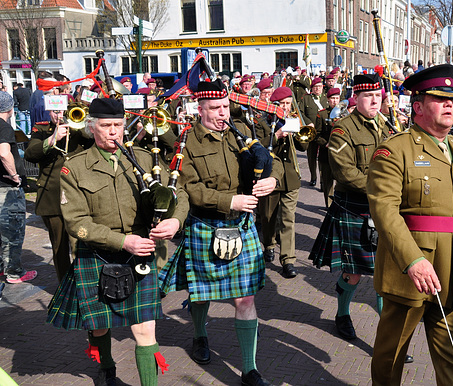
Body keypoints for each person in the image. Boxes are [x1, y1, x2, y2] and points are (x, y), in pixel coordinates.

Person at [47, 97, 188, 385]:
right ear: (91, 128)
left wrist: (175, 220)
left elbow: (179, 193)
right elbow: (76, 222)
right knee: (99, 326)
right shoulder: (74, 167)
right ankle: (107, 366)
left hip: (140, 255)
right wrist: (123, 242)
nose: (114, 132)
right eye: (106, 125)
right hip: (97, 253)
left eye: (119, 125)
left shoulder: (145, 159)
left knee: (145, 329)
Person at [158, 80, 281, 386]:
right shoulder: (187, 142)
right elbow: (188, 188)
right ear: (199, 109)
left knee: (245, 298)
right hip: (205, 225)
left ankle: (249, 369)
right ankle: (200, 335)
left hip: (241, 225)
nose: (222, 113)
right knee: (201, 294)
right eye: (215, 108)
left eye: (225, 106)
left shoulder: (240, 133)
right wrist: (230, 200)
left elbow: (272, 159)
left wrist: (273, 179)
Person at [368, 64, 453, 385]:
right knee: (391, 354)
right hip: (412, 270)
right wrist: (413, 260)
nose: (450, 104)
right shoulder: (395, 149)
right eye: (439, 98)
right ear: (418, 107)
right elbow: (384, 210)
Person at [309, 74, 393, 342]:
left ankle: (387, 336)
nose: (374, 101)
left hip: (385, 208)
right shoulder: (343, 129)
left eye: (378, 96)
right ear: (355, 98)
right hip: (356, 208)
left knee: (385, 273)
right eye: (369, 97)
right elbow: (344, 173)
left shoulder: (386, 124)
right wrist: (382, 189)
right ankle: (342, 314)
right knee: (353, 273)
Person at [24, 106, 94, 282]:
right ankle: (65, 287)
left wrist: (80, 124)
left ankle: (85, 283)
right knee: (59, 247)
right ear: (49, 112)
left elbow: (94, 141)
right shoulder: (41, 130)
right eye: (55, 111)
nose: (59, 115)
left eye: (63, 111)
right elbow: (31, 154)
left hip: (79, 196)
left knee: (81, 243)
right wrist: (52, 138)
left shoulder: (80, 129)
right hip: (53, 197)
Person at [259, 87, 306, 278]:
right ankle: (269, 244)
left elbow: (304, 145)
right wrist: (277, 135)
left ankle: (288, 260)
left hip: (291, 178)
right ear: (274, 105)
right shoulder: (264, 123)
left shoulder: (294, 120)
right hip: (271, 176)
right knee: (268, 216)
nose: (286, 107)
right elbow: (259, 147)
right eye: (282, 104)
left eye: (288, 103)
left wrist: (297, 131)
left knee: (288, 218)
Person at [0, 91, 36, 284]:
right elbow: (4, 153)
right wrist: (14, 175)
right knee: (13, 230)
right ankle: (14, 272)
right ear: (10, 108)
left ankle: (1, 268)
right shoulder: (4, 127)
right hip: (6, 188)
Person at [315, 87, 341, 207]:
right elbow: (317, 134)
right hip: (326, 153)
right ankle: (329, 206)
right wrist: (325, 143)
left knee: (342, 182)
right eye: (332, 98)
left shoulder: (344, 113)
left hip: (341, 154)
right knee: (327, 182)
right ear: (328, 99)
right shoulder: (322, 114)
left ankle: (340, 205)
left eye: (337, 98)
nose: (335, 101)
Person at [300, 77, 328, 187]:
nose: (318, 89)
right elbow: (301, 112)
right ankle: (313, 177)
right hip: (311, 131)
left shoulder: (326, 98)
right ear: (312, 88)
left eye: (320, 87)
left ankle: (322, 179)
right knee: (311, 156)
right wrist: (307, 122)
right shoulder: (306, 99)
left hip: (323, 132)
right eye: (315, 87)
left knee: (322, 157)